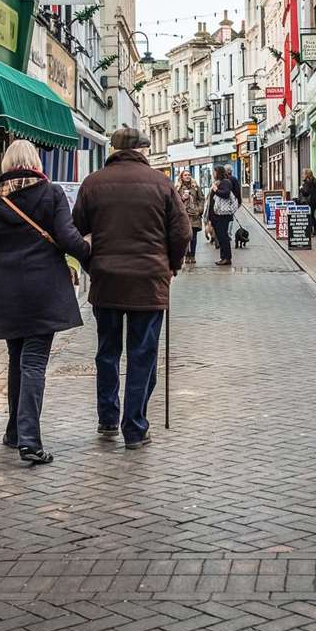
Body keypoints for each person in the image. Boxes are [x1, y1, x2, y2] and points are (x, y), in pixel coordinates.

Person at [0, 140, 90, 466]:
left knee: (18, 361)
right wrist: (95, 256)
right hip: (43, 291)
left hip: (6, 293)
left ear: (6, 163)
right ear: (35, 161)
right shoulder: (52, 194)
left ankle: (14, 431)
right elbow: (68, 239)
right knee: (33, 363)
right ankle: (29, 440)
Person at [73, 126, 190, 450]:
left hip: (107, 280)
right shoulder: (162, 184)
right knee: (143, 355)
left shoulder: (93, 183)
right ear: (142, 150)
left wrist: (90, 262)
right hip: (149, 284)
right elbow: (181, 233)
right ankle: (135, 428)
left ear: (113, 149)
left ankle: (108, 418)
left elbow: (75, 230)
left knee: (107, 352)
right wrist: (172, 266)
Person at [205, 164, 240, 266]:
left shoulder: (225, 182)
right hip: (216, 215)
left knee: (223, 237)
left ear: (218, 172)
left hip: (222, 215)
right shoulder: (218, 182)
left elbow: (225, 193)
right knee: (220, 237)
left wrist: (216, 190)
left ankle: (226, 258)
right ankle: (223, 257)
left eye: (214, 172)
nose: (213, 174)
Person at [175, 170, 205, 265]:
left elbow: (201, 199)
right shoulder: (177, 188)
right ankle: (186, 255)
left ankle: (193, 255)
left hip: (194, 215)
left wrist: (200, 209)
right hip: (183, 215)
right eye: (185, 175)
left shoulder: (195, 187)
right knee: (184, 237)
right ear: (182, 177)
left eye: (189, 175)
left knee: (193, 237)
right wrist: (182, 198)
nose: (187, 176)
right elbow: (174, 200)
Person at [297, 170, 316, 238]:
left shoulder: (308, 182)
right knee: (312, 215)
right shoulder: (313, 181)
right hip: (314, 201)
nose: (302, 175)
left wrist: (301, 188)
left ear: (307, 175)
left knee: (309, 216)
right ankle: (315, 231)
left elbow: (306, 193)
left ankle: (310, 231)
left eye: (303, 174)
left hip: (309, 201)